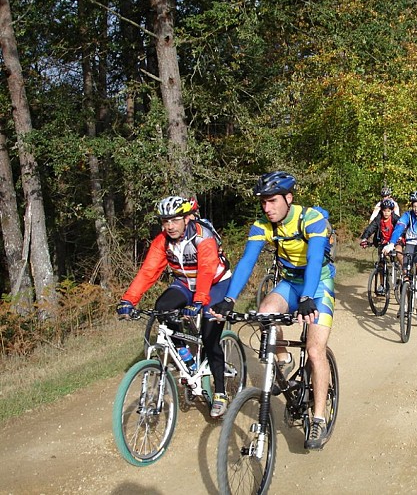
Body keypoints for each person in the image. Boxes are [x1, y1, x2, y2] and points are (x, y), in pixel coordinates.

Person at [209, 171, 335, 450]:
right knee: (265, 312)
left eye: (272, 201)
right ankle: (283, 358)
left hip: (318, 284)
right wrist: (229, 299)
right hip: (290, 283)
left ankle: (318, 417)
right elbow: (246, 262)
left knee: (315, 350)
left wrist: (307, 298)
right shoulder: (262, 225)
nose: (267, 208)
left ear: (288, 198)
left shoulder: (311, 219)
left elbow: (315, 260)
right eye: (263, 202)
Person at [116, 196, 233, 419]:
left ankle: (219, 392)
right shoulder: (163, 241)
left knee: (210, 336)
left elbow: (207, 269)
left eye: (175, 220)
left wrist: (199, 301)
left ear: (187, 219)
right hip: (185, 283)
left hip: (215, 284)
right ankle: (183, 352)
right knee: (162, 308)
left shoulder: (203, 237)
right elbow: (149, 271)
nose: (169, 226)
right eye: (165, 221)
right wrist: (129, 300)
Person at [382, 190, 417, 302]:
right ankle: (405, 304)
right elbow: (399, 228)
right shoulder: (408, 215)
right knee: (405, 272)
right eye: (414, 206)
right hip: (411, 243)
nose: (416, 209)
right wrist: (391, 243)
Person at [360, 199, 404, 294]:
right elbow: (370, 228)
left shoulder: (396, 219)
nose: (386, 213)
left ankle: (405, 273)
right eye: (384, 210)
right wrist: (364, 238)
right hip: (383, 242)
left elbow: (402, 228)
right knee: (381, 262)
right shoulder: (378, 219)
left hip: (395, 241)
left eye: (388, 211)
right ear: (381, 210)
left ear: (392, 211)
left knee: (399, 253)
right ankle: (382, 284)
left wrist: (400, 237)